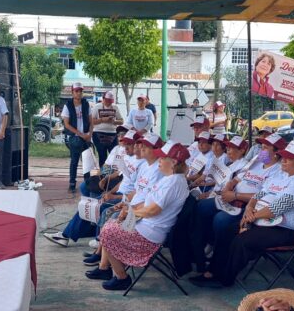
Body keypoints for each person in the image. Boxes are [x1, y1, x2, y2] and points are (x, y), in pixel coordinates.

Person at [190, 140, 294, 288]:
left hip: (289, 229)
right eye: (283, 156)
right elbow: (259, 193)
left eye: (289, 158)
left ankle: (224, 278)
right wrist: (249, 208)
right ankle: (213, 271)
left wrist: (250, 217)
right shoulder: (282, 175)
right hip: (265, 220)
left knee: (242, 239)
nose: (283, 160)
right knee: (227, 231)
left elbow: (277, 208)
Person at [85, 142, 190, 291]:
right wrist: (129, 208)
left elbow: (153, 210)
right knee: (110, 225)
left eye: (162, 158)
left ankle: (121, 278)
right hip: (147, 226)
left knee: (108, 232)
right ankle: (109, 270)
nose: (159, 160)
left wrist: (130, 212)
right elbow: (148, 204)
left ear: (173, 162)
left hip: (150, 233)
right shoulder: (171, 179)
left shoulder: (173, 182)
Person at [191, 134, 285, 282]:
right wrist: (228, 190)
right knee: (201, 207)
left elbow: (264, 195)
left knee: (221, 220)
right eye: (261, 146)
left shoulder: (278, 171)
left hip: (246, 206)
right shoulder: (256, 161)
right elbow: (235, 179)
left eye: (265, 147)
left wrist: (235, 196)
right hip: (230, 197)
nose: (261, 150)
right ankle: (200, 251)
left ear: (277, 152)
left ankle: (217, 254)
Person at [43, 128, 139, 248]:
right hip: (110, 177)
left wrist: (109, 182)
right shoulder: (116, 149)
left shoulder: (135, 159)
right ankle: (76, 230)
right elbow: (106, 166)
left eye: (124, 136)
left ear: (136, 143)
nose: (121, 137)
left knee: (92, 202)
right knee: (87, 183)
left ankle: (70, 233)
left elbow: (121, 174)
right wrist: (97, 174)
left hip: (116, 181)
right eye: (119, 134)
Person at [62, 82, 93, 193]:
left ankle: (88, 183)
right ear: (72, 92)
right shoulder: (67, 105)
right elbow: (66, 124)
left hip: (86, 137)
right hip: (74, 137)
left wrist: (90, 134)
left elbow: (91, 121)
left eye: (80, 91)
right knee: (74, 161)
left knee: (87, 161)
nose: (79, 93)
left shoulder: (86, 104)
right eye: (76, 91)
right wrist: (81, 134)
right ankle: (72, 183)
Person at [91, 90, 124, 166]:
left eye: (111, 101)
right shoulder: (97, 106)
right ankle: (103, 175)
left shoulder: (115, 107)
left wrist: (114, 122)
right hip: (98, 133)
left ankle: (112, 174)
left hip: (112, 133)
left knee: (114, 155)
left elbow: (121, 121)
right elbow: (91, 121)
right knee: (102, 155)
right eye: (108, 101)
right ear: (103, 99)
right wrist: (102, 120)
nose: (109, 103)